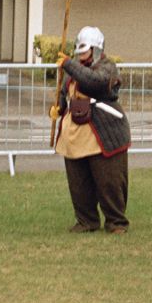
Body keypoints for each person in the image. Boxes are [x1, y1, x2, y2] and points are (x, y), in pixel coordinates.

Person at [54, 25, 131, 234]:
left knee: (110, 181)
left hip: (104, 131)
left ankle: (116, 221)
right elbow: (65, 91)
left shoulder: (107, 67)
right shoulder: (73, 69)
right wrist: (59, 106)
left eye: (85, 51)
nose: (81, 55)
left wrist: (69, 64)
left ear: (96, 49)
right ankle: (86, 220)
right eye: (78, 52)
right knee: (78, 182)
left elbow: (93, 82)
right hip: (75, 134)